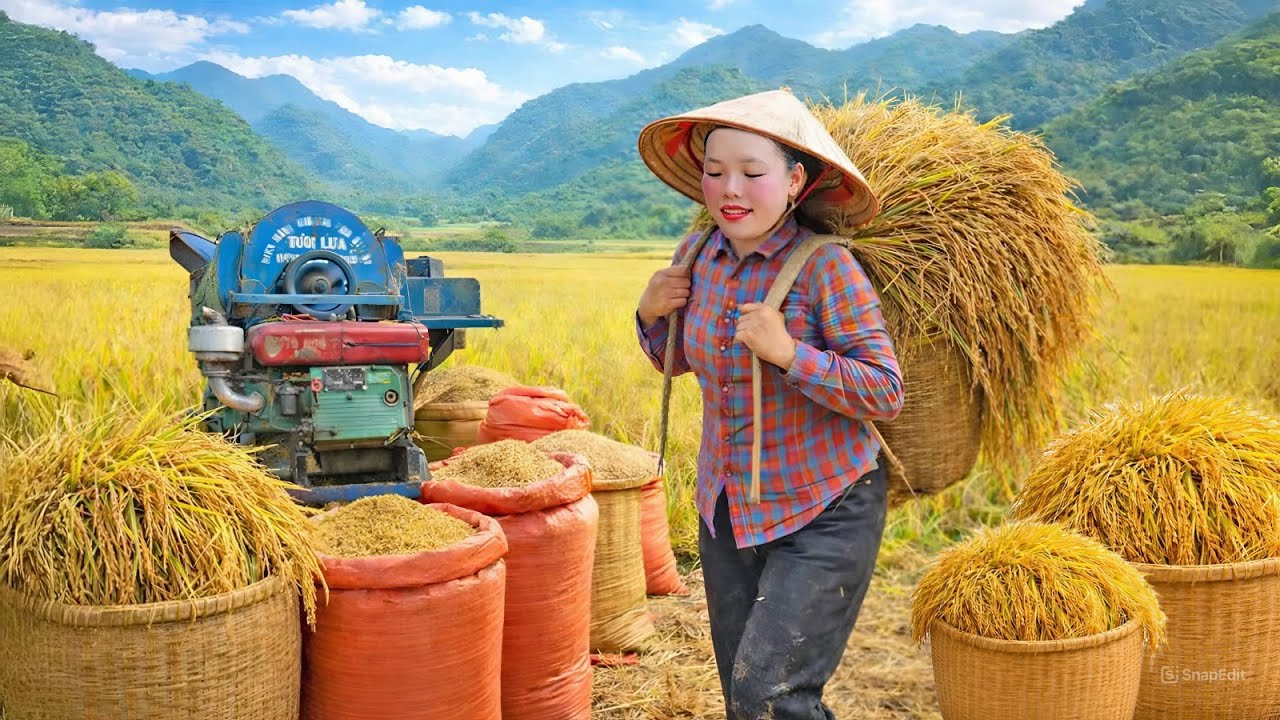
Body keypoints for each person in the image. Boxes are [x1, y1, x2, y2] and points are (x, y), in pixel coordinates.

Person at [633, 89, 904, 719]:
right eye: (715, 171)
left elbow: (885, 391)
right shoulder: (695, 258)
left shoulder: (827, 268)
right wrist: (649, 315)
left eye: (752, 173)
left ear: (795, 182)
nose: (730, 189)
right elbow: (679, 359)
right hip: (728, 508)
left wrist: (788, 354)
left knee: (771, 695)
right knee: (742, 696)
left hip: (825, 507)